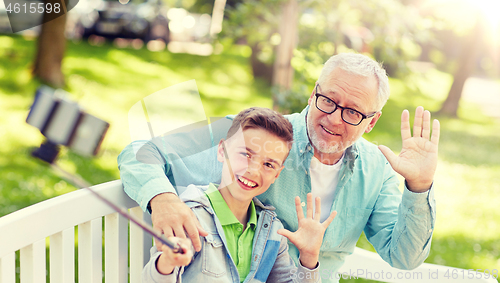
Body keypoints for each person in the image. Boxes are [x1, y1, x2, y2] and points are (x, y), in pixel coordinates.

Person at [118, 53, 440, 282]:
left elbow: (404, 257)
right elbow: (140, 152)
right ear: (314, 92)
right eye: (328, 100)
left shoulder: (377, 170)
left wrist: (420, 186)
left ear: (372, 122)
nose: (333, 118)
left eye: (353, 112)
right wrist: (162, 199)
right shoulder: (258, 137)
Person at [142, 107, 336, 282]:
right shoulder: (191, 218)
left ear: (277, 174)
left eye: (268, 165)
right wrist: (167, 261)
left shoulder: (272, 233)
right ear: (221, 150)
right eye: (245, 154)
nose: (252, 170)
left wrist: (309, 258)